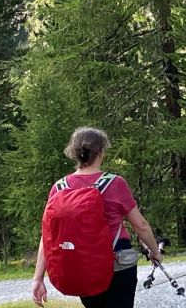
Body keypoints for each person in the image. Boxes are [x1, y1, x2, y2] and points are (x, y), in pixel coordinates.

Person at [32, 127, 163, 308]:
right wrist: (155, 251)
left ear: (74, 153)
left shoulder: (59, 187)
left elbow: (47, 237)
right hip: (117, 266)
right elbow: (140, 225)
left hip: (83, 268)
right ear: (101, 152)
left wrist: (38, 278)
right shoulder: (115, 183)